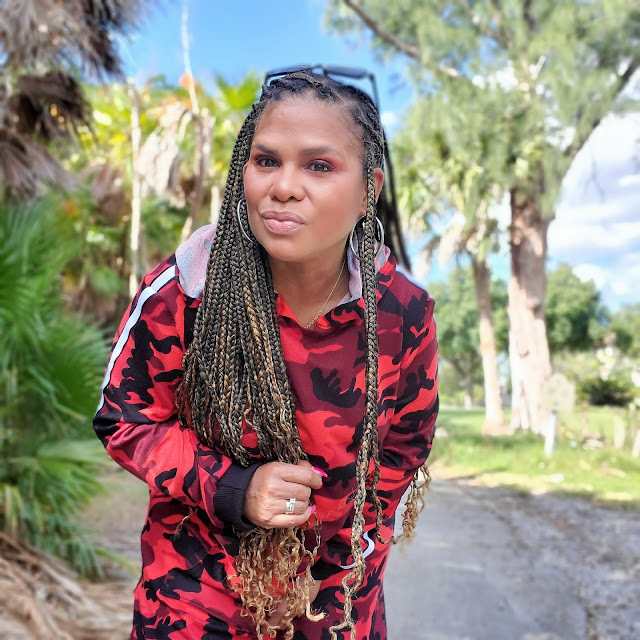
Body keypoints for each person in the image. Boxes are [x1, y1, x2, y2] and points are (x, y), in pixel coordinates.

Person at [94, 68, 438, 640]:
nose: (283, 186)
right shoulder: (186, 291)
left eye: (319, 166)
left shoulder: (403, 314)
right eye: (266, 160)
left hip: (337, 605)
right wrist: (232, 487)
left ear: (368, 191)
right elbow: (125, 419)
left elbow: (401, 454)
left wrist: (332, 577)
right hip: (195, 598)